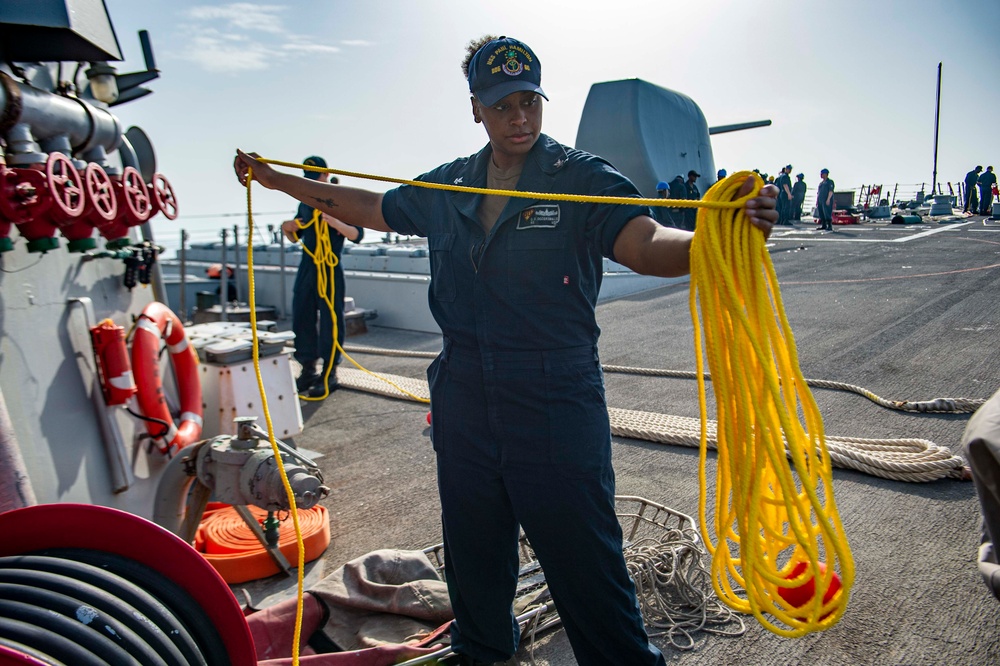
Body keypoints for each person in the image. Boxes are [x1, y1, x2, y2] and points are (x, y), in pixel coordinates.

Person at [233, 34, 777, 666]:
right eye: (502, 106)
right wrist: (279, 183)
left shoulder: (581, 178)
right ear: (476, 109)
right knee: (473, 565)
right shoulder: (451, 185)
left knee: (586, 567)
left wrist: (715, 233)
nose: (519, 117)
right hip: (464, 397)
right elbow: (375, 207)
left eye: (529, 101)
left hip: (554, 399)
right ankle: (485, 654)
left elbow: (645, 242)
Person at [281, 155, 365, 396]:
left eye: (315, 177)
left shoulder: (339, 199)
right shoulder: (305, 201)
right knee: (302, 315)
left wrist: (335, 221)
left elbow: (357, 234)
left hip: (330, 267)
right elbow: (295, 235)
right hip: (308, 266)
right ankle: (308, 369)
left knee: (331, 320)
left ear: (326, 175)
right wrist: (287, 228)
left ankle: (330, 373)